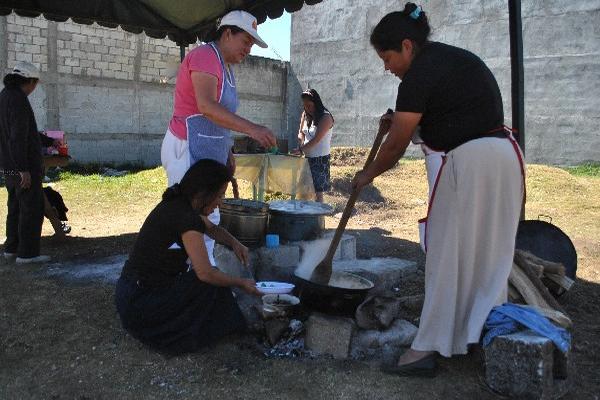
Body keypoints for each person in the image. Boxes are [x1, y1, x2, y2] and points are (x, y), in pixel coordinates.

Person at [352, 3, 525, 376]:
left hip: (472, 164)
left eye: (387, 57)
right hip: (503, 158)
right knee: (487, 257)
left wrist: (367, 174)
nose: (387, 66)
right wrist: (403, 123)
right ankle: (477, 335)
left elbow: (396, 146)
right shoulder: (451, 60)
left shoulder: (418, 76)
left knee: (445, 256)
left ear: (407, 46)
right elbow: (446, 116)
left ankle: (427, 348)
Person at [161, 9, 277, 266]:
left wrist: (227, 151)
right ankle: (176, 276)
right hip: (186, 147)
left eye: (252, 44)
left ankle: (204, 275)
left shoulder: (225, 67)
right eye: (246, 41)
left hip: (208, 152)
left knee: (210, 215)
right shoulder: (204, 56)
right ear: (227, 34)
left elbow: (220, 118)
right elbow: (206, 107)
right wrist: (253, 129)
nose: (249, 49)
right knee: (185, 217)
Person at [115, 159, 261, 355]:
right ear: (203, 193)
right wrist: (240, 282)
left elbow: (212, 229)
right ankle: (195, 332)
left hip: (130, 293)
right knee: (209, 283)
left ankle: (223, 326)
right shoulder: (186, 217)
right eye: (219, 195)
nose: (221, 202)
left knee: (209, 283)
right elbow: (205, 273)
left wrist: (235, 243)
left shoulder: (179, 204)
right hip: (141, 303)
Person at [0, 61, 52, 264]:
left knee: (14, 206)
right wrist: (24, 169)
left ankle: (11, 248)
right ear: (30, 81)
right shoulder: (19, 100)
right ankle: (28, 254)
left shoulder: (4, 97)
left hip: (8, 165)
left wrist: (47, 140)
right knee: (31, 208)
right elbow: (18, 136)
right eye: (35, 84)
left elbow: (21, 132)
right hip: (23, 167)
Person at [294, 88, 334, 202]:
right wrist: (300, 143)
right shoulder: (305, 115)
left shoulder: (326, 117)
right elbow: (301, 132)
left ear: (316, 103)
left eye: (310, 105)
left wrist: (301, 149)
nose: (307, 108)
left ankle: (318, 219)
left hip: (320, 159)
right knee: (303, 190)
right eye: (305, 105)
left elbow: (316, 140)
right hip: (307, 158)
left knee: (318, 194)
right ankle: (304, 216)